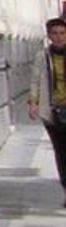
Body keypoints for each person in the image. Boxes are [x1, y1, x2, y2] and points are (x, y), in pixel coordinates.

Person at [27, 14, 66, 203]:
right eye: (55, 33)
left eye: (62, 33)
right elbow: (35, 80)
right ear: (49, 36)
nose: (59, 37)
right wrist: (33, 103)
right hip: (53, 111)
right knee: (61, 152)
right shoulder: (42, 56)